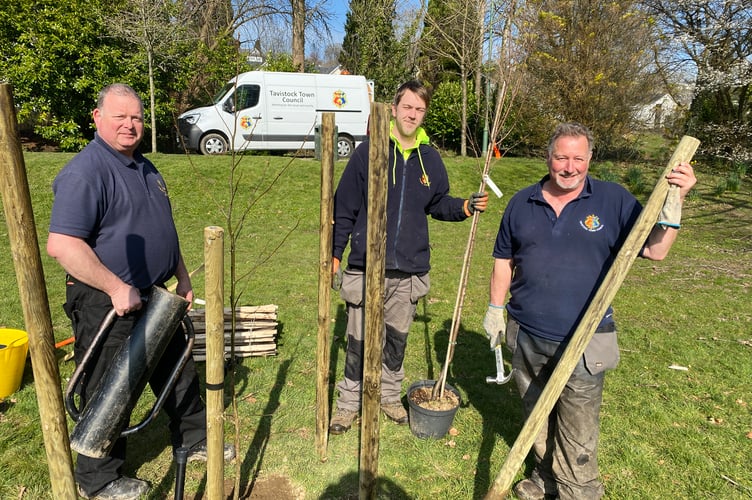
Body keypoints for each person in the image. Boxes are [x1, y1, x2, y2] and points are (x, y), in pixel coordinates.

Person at [482, 122, 696, 499]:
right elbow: (504, 259)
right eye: (561, 157)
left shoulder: (613, 201)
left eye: (578, 158)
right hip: (527, 332)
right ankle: (547, 478)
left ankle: (578, 491)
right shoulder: (522, 202)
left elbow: (656, 250)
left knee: (577, 428)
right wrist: (495, 309)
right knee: (537, 418)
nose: (569, 167)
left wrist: (676, 200)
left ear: (590, 158)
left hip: (585, 338)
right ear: (548, 157)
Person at [47, 83, 233, 500]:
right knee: (109, 387)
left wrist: (182, 277)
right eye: (120, 117)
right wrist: (116, 287)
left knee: (177, 368)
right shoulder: (86, 171)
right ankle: (98, 479)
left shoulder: (146, 167)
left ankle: (195, 437)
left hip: (154, 290)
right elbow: (62, 245)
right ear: (97, 119)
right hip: (106, 299)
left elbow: (162, 229)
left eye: (136, 118)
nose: (130, 125)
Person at [329, 80, 489, 434]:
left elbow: (437, 202)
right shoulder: (369, 151)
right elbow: (344, 207)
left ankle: (388, 397)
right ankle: (347, 405)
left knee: (396, 341)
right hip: (366, 266)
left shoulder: (429, 157)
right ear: (394, 108)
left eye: (419, 110)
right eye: (407, 107)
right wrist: (335, 254)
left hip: (408, 272)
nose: (413, 115)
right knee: (356, 342)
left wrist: (463, 206)